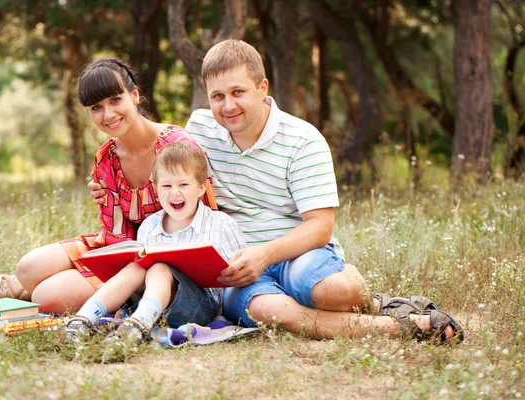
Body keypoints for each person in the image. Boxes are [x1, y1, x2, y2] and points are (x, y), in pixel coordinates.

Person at [90, 40, 463, 344]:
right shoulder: (200, 128)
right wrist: (109, 186)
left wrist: (264, 254)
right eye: (217, 96)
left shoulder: (303, 140)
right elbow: (168, 175)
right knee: (271, 312)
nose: (228, 106)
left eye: (238, 92)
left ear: (262, 87)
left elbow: (320, 228)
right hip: (237, 268)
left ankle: (378, 301)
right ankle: (399, 327)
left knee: (333, 290)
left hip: (297, 251)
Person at [0, 58, 218, 315]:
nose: (108, 115)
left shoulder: (175, 145)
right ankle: (30, 283)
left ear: (135, 95)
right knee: (28, 268)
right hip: (121, 252)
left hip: (164, 264)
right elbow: (115, 234)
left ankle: (37, 290)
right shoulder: (106, 158)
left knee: (44, 297)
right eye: (97, 107)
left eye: (115, 100)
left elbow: (205, 216)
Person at [64, 141, 246, 344]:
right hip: (151, 303)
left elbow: (240, 274)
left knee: (159, 268)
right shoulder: (149, 226)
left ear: (201, 187)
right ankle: (84, 318)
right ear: (156, 187)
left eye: (183, 185)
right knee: (138, 265)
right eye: (167, 185)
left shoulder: (221, 224)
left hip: (200, 306)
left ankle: (138, 327)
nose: (174, 193)